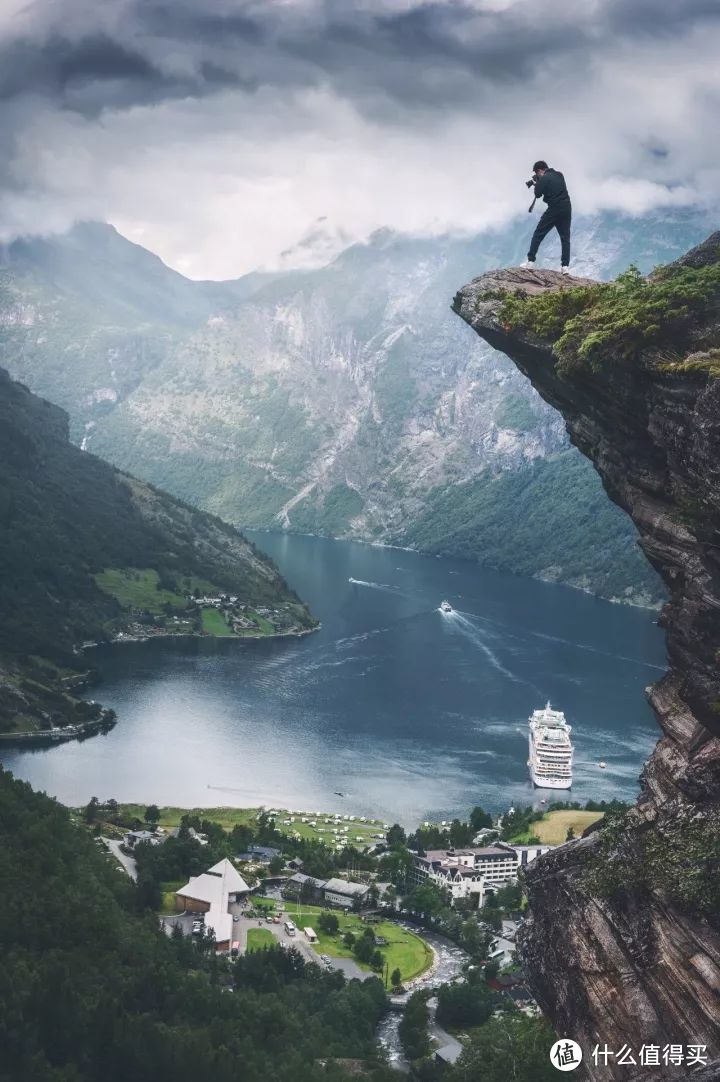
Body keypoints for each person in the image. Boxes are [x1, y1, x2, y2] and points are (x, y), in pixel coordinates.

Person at [520, 160, 572, 273]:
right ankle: (565, 267)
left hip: (554, 208)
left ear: (539, 170)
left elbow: (538, 194)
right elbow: (553, 187)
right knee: (565, 238)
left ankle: (530, 263)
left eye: (536, 173)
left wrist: (538, 183)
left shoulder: (543, 178)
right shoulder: (559, 174)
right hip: (567, 207)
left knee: (538, 234)